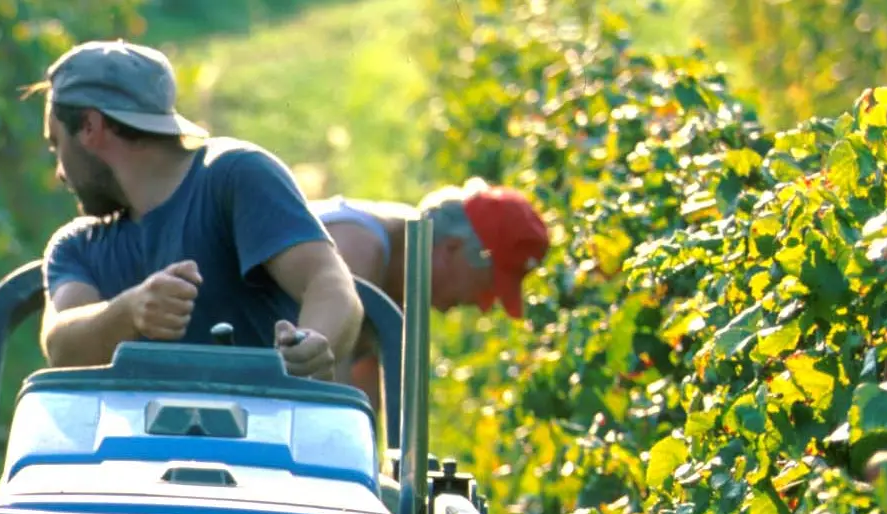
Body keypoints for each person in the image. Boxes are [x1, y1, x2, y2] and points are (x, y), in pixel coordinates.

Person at [32, 40, 362, 383]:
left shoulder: (234, 177)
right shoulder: (76, 246)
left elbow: (328, 282)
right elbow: (61, 347)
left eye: (57, 144)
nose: (60, 172)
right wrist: (130, 311)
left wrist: (310, 346)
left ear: (89, 126)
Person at [310, 181, 550, 397]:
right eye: (487, 285)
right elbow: (325, 389)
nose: (478, 303)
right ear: (452, 248)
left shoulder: (396, 290)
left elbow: (362, 405)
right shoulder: (357, 250)